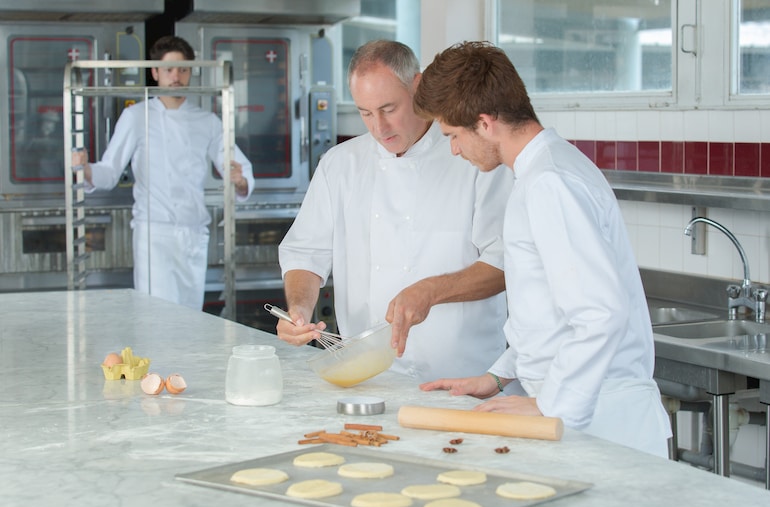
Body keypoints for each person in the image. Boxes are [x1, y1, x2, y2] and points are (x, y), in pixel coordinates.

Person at [414, 41, 671, 457]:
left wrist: (551, 407)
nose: (454, 150)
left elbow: (599, 313)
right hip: (574, 411)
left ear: (484, 122)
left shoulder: (552, 182)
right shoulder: (540, 172)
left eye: (453, 135)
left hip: (603, 422)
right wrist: (499, 376)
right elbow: (549, 313)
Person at [277, 40, 516, 383]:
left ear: (417, 86)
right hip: (369, 377)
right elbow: (305, 252)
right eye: (365, 113)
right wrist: (298, 308)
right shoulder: (339, 165)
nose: (378, 127)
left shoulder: (475, 158)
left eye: (389, 109)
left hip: (466, 378)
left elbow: (506, 263)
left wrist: (432, 290)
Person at [71, 35, 254, 310]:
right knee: (155, 318)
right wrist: (83, 169)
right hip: (153, 234)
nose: (176, 77)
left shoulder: (208, 121)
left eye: (183, 69)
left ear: (191, 72)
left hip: (193, 233)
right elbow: (109, 172)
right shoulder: (137, 117)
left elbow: (240, 169)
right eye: (168, 70)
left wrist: (240, 182)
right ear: (155, 72)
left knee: (192, 319)